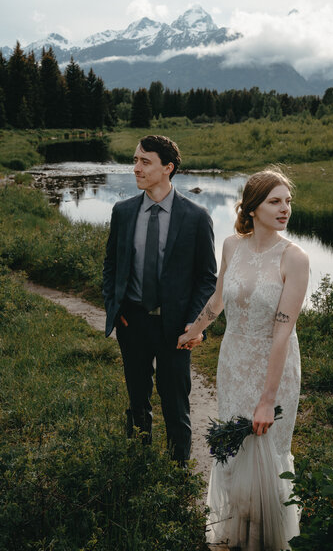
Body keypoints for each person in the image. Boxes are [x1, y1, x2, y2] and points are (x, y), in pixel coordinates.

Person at [178, 167, 309, 550]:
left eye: (288, 201)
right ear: (252, 208)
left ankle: (267, 541)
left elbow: (283, 331)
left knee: (268, 451)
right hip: (233, 360)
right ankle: (237, 533)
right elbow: (219, 300)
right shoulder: (233, 246)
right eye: (275, 201)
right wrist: (195, 329)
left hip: (275, 366)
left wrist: (268, 399)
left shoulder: (295, 258)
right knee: (235, 451)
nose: (285, 209)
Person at [103, 135, 217, 465]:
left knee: (175, 403)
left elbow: (207, 278)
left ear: (167, 168)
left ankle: (178, 470)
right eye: (135, 160)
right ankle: (139, 464)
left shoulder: (196, 217)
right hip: (132, 322)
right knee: (137, 399)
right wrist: (117, 309)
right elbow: (111, 265)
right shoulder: (123, 212)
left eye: (144, 162)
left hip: (175, 330)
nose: (135, 168)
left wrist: (194, 325)